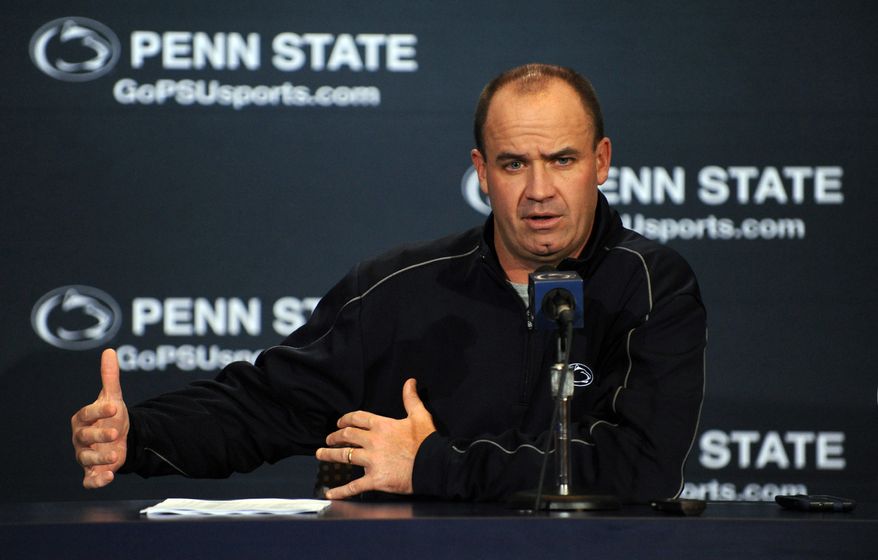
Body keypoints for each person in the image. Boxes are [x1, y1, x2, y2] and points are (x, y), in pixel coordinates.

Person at [71, 64, 706, 503]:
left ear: (600, 161)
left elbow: (641, 468)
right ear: (482, 173)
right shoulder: (399, 288)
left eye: (562, 160)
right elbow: (268, 404)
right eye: (514, 163)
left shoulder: (650, 284)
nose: (539, 191)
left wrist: (428, 466)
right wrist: (141, 435)